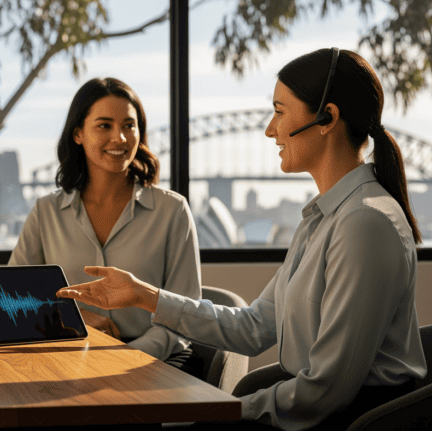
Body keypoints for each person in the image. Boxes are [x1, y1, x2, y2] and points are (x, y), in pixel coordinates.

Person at [57, 49, 427, 430]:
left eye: (280, 111)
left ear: (326, 118)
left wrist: (226, 410)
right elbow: (253, 327)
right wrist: (142, 295)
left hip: (347, 421)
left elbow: (327, 390)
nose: (270, 128)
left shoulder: (364, 223)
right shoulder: (322, 219)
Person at [9, 77, 202, 369]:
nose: (120, 138)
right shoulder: (46, 211)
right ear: (78, 134)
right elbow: (14, 297)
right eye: (104, 126)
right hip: (68, 358)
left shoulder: (172, 211)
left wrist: (125, 358)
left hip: (151, 362)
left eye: (129, 125)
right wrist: (78, 318)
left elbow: (184, 315)